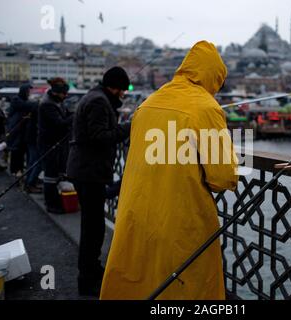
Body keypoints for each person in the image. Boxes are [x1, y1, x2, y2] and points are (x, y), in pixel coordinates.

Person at [100, 41, 239, 300]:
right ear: (213, 77)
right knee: (184, 288)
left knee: (140, 282)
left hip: (136, 214)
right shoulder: (207, 108)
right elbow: (223, 177)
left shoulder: (149, 102)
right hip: (180, 221)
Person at [67, 66, 131, 297]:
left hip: (87, 170)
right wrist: (129, 127)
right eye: (123, 90)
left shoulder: (96, 97)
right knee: (92, 229)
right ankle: (87, 280)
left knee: (93, 226)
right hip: (88, 172)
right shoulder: (98, 102)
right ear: (114, 87)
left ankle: (93, 271)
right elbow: (100, 137)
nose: (124, 94)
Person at [38, 78, 72, 213]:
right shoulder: (48, 104)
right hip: (49, 144)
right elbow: (59, 123)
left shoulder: (57, 102)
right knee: (50, 176)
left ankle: (56, 200)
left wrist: (73, 114)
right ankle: (51, 204)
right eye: (64, 93)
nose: (66, 96)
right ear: (57, 93)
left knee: (56, 174)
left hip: (56, 143)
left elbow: (65, 115)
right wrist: (73, 118)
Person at [7, 84, 36, 177]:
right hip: (16, 130)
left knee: (22, 150)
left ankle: (20, 169)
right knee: (16, 151)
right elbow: (26, 106)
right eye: (28, 91)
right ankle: (15, 170)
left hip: (23, 130)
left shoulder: (24, 100)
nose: (29, 93)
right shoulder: (16, 100)